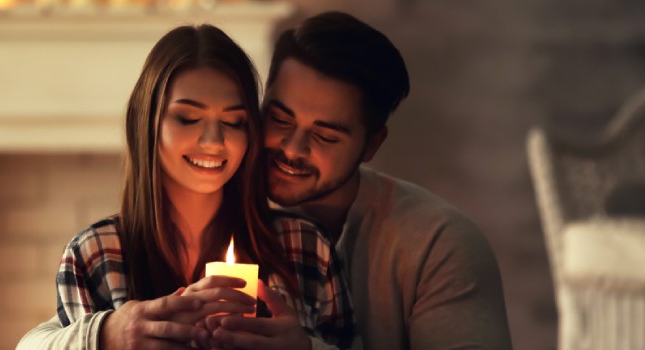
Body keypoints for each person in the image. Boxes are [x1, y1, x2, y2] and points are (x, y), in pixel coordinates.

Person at [16, 24, 354, 350]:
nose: (214, 141)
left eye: (233, 122)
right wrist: (108, 338)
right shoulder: (94, 254)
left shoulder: (305, 247)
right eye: (189, 118)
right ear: (147, 122)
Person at [209, 11, 513, 350]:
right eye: (279, 119)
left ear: (371, 145)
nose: (292, 148)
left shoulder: (436, 244)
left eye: (325, 136)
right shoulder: (206, 199)